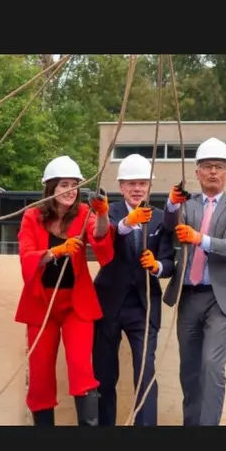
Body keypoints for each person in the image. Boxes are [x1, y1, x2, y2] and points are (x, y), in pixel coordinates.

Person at [14, 155, 114, 426]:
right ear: (50, 188)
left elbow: (101, 239)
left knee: (82, 370)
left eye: (74, 185)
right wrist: (54, 251)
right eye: (63, 185)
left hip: (76, 304)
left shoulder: (84, 213)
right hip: (41, 303)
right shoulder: (32, 216)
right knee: (40, 375)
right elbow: (26, 257)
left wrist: (103, 213)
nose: (70, 190)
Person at [162, 137, 226, 426]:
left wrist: (200, 239)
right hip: (188, 295)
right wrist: (169, 203)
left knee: (212, 366)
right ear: (197, 172)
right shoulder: (187, 207)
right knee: (189, 368)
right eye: (206, 166)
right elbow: (167, 227)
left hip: (221, 298)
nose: (212, 171)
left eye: (218, 166)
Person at [92, 154, 176, 426]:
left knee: (145, 373)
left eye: (142, 183)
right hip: (108, 304)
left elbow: (168, 262)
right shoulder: (107, 211)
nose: (137, 188)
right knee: (104, 374)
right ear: (121, 186)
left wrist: (157, 267)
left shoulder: (161, 218)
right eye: (131, 184)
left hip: (143, 306)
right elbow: (103, 237)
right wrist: (128, 224)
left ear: (149, 187)